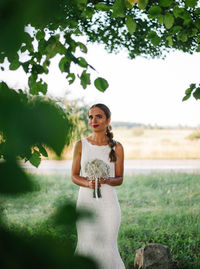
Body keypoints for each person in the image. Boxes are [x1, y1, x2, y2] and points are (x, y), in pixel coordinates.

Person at [71, 103, 125, 269]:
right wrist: (88, 183)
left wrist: (106, 180)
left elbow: (120, 178)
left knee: (108, 243)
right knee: (87, 243)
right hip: (86, 202)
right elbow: (74, 176)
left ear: (108, 120)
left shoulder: (117, 147)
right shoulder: (80, 145)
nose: (93, 120)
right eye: (91, 117)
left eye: (99, 116)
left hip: (108, 203)